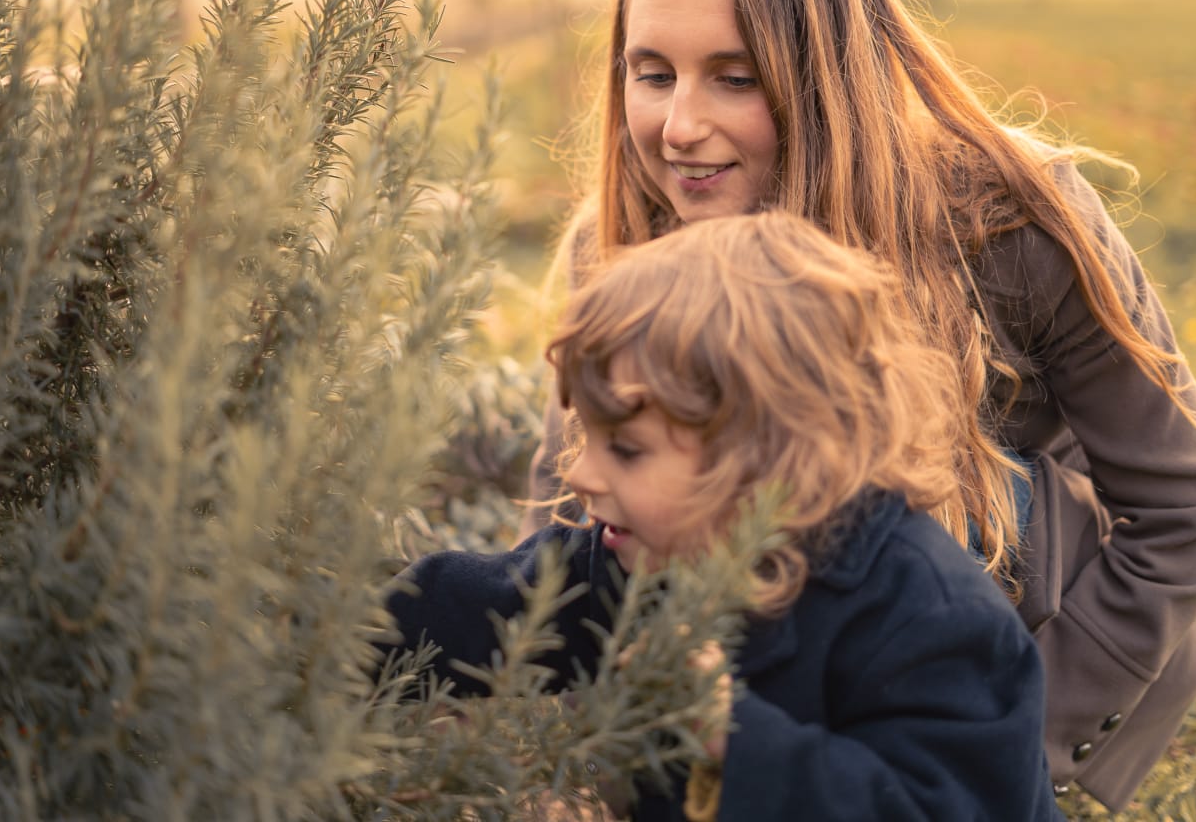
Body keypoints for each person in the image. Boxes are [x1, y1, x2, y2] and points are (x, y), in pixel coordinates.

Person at [518, 0, 1196, 811]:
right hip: (742, 660)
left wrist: (1010, 746)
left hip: (995, 618)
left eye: (734, 79)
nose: (679, 126)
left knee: (978, 496)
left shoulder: (1008, 219)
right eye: (652, 75)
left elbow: (1186, 509)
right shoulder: (617, 245)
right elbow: (562, 519)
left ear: (825, 78)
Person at [385, 211, 1065, 821]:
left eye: (625, 449)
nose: (582, 474)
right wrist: (335, 630)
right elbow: (490, 606)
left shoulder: (935, 621)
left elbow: (939, 806)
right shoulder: (648, 557)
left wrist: (733, 734)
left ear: (766, 457)